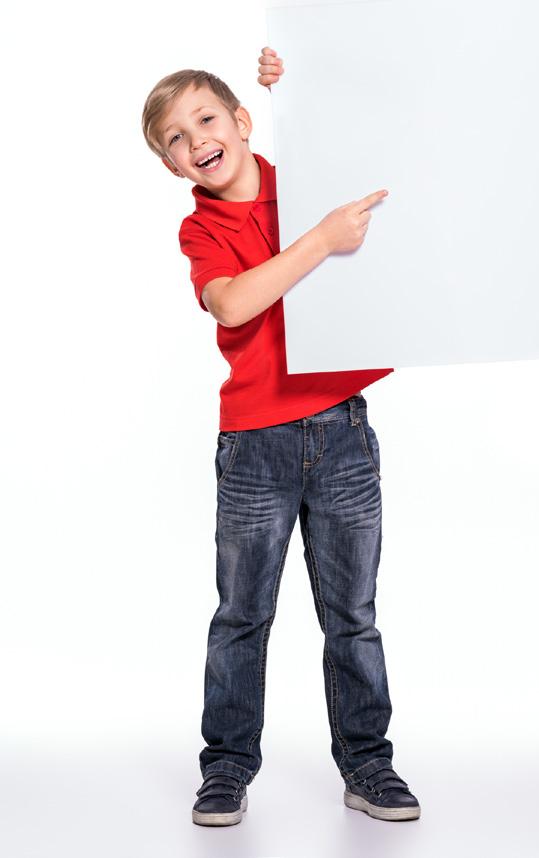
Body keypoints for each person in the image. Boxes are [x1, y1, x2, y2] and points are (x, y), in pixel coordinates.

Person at [140, 46, 420, 825]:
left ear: (240, 121)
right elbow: (234, 304)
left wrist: (300, 82)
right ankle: (226, 769)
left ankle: (368, 765)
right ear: (171, 166)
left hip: (341, 431)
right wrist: (320, 241)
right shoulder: (201, 229)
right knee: (242, 616)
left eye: (205, 118)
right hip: (253, 445)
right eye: (174, 138)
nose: (195, 138)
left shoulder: (304, 184)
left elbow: (360, 140)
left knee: (352, 616)